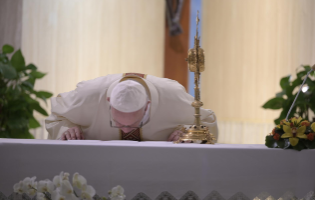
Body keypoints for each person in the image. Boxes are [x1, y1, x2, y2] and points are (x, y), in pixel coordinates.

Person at [45, 73, 218, 141]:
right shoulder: (89, 94)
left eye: (135, 123)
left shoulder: (171, 95)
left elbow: (208, 122)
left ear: (147, 106)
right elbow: (56, 117)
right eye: (118, 123)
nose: (127, 131)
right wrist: (66, 129)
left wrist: (187, 133)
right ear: (108, 101)